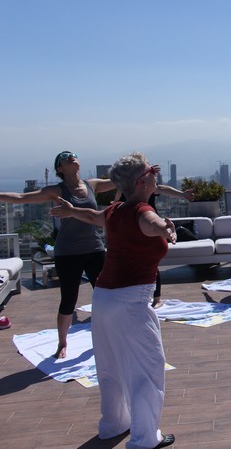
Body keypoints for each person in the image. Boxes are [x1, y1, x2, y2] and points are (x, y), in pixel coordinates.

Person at [51, 152, 176, 448]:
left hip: (103, 300)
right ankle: (145, 438)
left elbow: (93, 217)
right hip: (131, 303)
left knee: (111, 367)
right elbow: (151, 222)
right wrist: (166, 229)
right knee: (148, 368)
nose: (156, 175)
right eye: (151, 172)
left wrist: (71, 212)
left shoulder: (115, 210)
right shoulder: (141, 210)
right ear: (142, 180)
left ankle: (113, 424)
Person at [0, 151, 116, 358]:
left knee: (106, 295)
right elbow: (21, 198)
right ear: (59, 169)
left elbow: (120, 180)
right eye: (65, 157)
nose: (71, 157)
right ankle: (62, 343)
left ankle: (111, 336)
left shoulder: (92, 185)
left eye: (74, 155)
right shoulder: (56, 190)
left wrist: (143, 169)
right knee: (68, 299)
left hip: (94, 248)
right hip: (68, 252)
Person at [114, 175, 194, 308]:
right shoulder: (126, 190)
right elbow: (116, 201)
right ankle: (135, 295)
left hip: (150, 225)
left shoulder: (147, 189)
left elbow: (162, 189)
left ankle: (157, 299)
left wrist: (182, 194)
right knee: (132, 262)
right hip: (131, 226)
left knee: (151, 263)